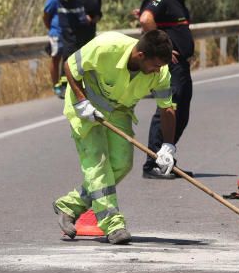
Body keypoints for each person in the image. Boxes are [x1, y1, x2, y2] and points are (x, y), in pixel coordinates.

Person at [52, 30, 177, 245]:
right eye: (155, 66)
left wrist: (168, 146)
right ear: (140, 56)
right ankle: (113, 224)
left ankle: (69, 205)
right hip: (86, 109)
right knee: (98, 165)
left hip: (119, 111)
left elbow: (167, 109)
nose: (158, 71)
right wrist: (82, 102)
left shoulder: (160, 72)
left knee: (122, 164)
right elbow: (70, 67)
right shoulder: (106, 47)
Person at [139, 0, 197, 179]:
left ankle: (166, 158)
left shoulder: (178, 2)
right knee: (166, 111)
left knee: (181, 114)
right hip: (171, 67)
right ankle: (153, 162)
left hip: (182, 67)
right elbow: (145, 19)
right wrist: (161, 46)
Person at [57, 0, 90, 84]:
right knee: (69, 53)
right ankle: (65, 81)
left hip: (75, 26)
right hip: (68, 26)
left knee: (75, 53)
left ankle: (73, 79)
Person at [43, 0, 65, 98]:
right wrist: (52, 28)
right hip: (56, 34)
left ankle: (66, 85)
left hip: (70, 35)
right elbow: (46, 15)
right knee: (56, 59)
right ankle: (56, 86)